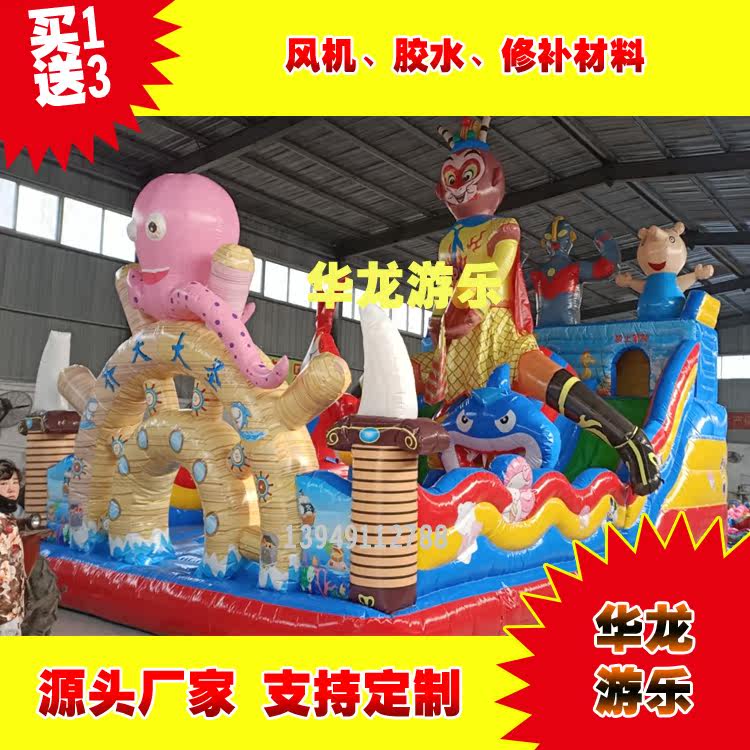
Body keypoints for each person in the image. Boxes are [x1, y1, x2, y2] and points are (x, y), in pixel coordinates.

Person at [412, 117, 662, 496]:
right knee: (409, 377)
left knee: (555, 384)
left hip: (498, 331)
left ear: (493, 178)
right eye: (452, 178)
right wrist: (439, 323)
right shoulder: (447, 241)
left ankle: (632, 443)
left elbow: (498, 269)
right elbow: (443, 285)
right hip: (458, 338)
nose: (460, 185)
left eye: (469, 174)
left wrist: (471, 305)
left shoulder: (504, 228)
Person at [0, 459, 25, 636]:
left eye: (15, 482)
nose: (11, 489)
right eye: (3, 484)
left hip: (12, 609)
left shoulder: (8, 518)